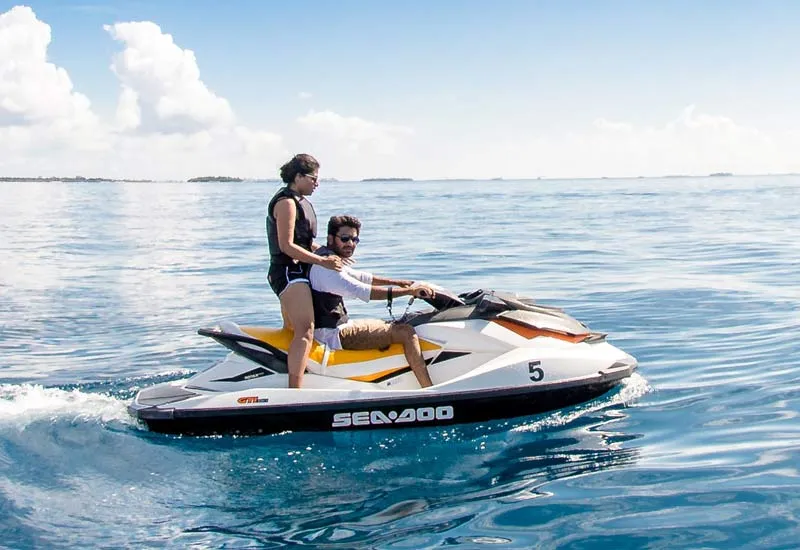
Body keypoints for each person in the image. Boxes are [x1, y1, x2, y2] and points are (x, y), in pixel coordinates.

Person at [309, 215, 436, 388]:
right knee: (406, 332)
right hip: (332, 335)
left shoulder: (327, 257)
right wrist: (408, 291)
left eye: (355, 239)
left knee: (399, 322)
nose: (350, 244)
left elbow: (360, 277)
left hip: (338, 327)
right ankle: (429, 390)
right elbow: (361, 291)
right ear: (331, 238)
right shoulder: (326, 268)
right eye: (345, 238)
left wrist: (397, 282)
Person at [266, 154, 343, 388]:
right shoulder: (286, 203)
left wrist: (331, 255)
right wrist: (322, 263)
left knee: (293, 329)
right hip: (288, 273)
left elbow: (306, 243)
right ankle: (295, 389)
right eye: (313, 178)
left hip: (298, 271)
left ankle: (291, 373)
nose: (316, 183)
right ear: (298, 177)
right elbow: (287, 246)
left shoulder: (301, 202)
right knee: (305, 329)